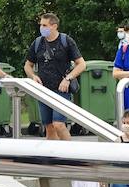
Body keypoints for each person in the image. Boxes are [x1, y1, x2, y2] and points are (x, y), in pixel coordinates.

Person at [23, 13, 86, 142]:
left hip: (61, 90)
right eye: (40, 25)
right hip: (44, 90)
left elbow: (82, 64)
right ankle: (53, 157)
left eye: (44, 25)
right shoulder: (38, 42)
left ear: (54, 26)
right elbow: (27, 66)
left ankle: (72, 154)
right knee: (49, 127)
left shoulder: (65, 41)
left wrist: (68, 78)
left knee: (59, 124)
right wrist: (33, 76)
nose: (41, 27)